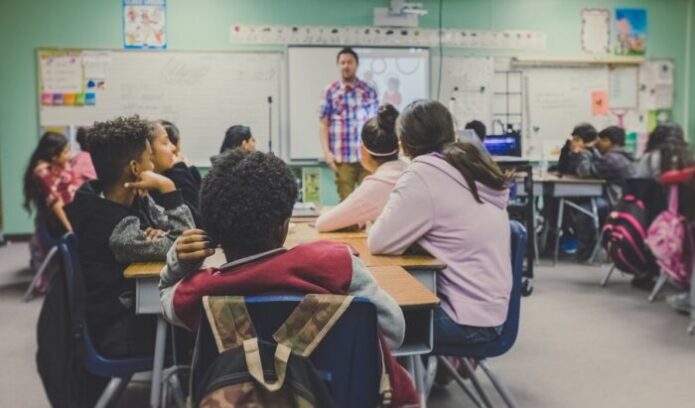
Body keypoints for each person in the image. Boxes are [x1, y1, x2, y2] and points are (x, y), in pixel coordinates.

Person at [158, 150, 416, 405]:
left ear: (212, 231)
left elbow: (166, 294)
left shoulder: (200, 291)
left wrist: (179, 260)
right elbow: (394, 331)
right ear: (283, 225)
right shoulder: (336, 264)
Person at [368, 100, 512, 353]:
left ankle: (399, 390)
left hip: (465, 321)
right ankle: (435, 374)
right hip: (493, 312)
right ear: (451, 132)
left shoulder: (423, 173)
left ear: (402, 143)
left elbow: (379, 242)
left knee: (361, 321)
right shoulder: (469, 165)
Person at [65, 115, 194, 358]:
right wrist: (168, 187)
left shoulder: (133, 198)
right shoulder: (114, 227)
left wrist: (165, 236)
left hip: (131, 311)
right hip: (118, 329)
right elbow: (187, 245)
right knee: (200, 322)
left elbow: (176, 235)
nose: (153, 168)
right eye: (149, 161)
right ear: (135, 169)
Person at [315, 104, 406, 232]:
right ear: (399, 147)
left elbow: (322, 224)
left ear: (363, 150)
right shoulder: (410, 171)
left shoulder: (376, 184)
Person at [319, 47, 379, 201]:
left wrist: (376, 152)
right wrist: (327, 153)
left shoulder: (368, 91)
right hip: (342, 157)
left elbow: (375, 124)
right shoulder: (330, 91)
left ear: (356, 65)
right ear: (339, 65)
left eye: (350, 62)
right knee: (346, 202)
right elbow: (323, 123)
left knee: (369, 201)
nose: (346, 66)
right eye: (342, 62)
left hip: (366, 156)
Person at [23, 132, 79, 275]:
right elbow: (56, 204)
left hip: (70, 212)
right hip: (60, 222)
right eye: (66, 151)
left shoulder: (58, 164)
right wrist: (71, 230)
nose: (69, 154)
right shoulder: (43, 172)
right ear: (53, 155)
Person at [151, 120, 203, 226]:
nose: (174, 148)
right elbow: (195, 221)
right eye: (165, 143)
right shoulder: (176, 173)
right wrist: (180, 168)